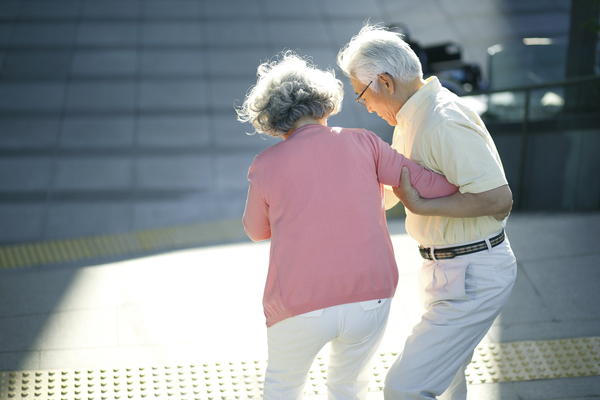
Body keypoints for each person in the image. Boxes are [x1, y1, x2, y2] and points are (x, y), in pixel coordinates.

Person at [236, 52, 459, 400]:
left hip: (298, 302)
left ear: (273, 117)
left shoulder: (265, 164)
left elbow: (256, 231)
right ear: (324, 102)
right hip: (370, 293)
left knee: (283, 387)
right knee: (349, 386)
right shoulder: (364, 142)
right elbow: (431, 185)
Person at [337, 24, 517, 400]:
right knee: (448, 381)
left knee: (405, 387)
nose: (366, 106)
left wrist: (422, 205)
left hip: (473, 273)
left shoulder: (442, 119)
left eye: (362, 95)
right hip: (450, 269)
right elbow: (395, 189)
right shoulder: (411, 116)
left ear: (385, 82)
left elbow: (499, 199)